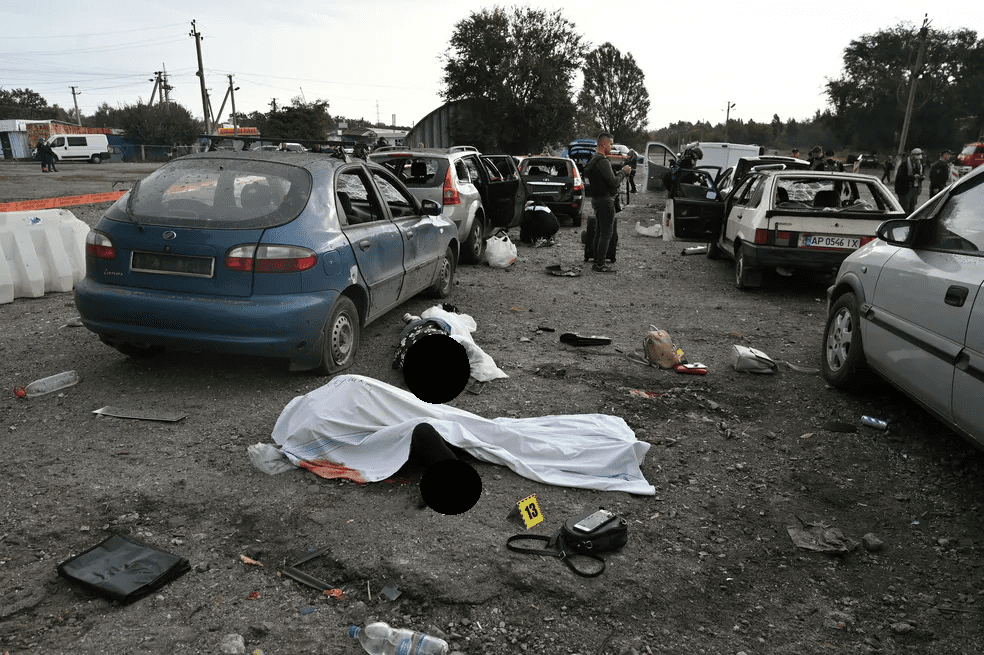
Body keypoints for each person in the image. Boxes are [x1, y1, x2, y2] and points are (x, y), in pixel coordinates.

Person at [583, 132, 630, 273]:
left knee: (599, 233)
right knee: (606, 234)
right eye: (610, 143)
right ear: (603, 143)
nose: (611, 146)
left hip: (596, 200)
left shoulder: (593, 161)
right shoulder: (602, 161)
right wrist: (623, 172)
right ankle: (600, 265)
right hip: (606, 201)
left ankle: (597, 261)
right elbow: (614, 181)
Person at [895, 148, 925, 214]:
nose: (917, 160)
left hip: (915, 188)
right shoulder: (904, 165)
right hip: (905, 189)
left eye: (918, 159)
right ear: (912, 156)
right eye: (916, 159)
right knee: (905, 207)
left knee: (912, 206)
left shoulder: (919, 165)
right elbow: (900, 178)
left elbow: (921, 174)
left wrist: (921, 177)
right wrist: (913, 177)